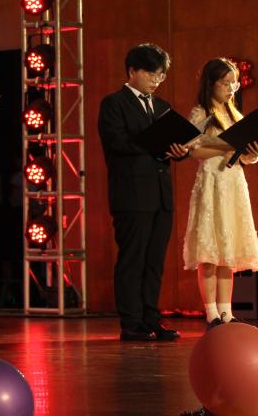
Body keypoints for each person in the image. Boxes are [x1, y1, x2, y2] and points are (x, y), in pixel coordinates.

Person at [97, 43, 189, 342]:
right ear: (132, 70)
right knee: (132, 260)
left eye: (161, 75)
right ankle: (131, 322)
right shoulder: (114, 103)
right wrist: (155, 142)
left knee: (154, 261)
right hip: (132, 194)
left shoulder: (162, 106)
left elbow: (174, 145)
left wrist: (181, 149)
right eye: (151, 73)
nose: (156, 80)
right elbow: (117, 143)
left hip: (161, 194)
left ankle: (151, 319)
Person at [182, 58, 258, 330]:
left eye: (234, 84)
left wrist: (252, 154)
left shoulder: (234, 114)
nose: (231, 89)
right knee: (210, 250)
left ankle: (227, 312)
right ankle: (211, 312)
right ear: (211, 83)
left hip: (233, 184)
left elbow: (243, 157)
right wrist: (226, 145)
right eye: (226, 83)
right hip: (212, 184)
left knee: (228, 251)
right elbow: (194, 150)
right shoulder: (201, 113)